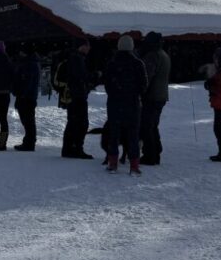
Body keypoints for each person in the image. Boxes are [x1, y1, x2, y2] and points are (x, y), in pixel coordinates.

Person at [103, 34, 148, 175]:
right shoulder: (138, 64)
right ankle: (134, 166)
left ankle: (113, 164)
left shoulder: (111, 64)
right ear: (132, 47)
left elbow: (107, 84)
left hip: (115, 104)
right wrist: (135, 94)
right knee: (133, 135)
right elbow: (144, 85)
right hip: (132, 104)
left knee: (114, 134)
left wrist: (115, 93)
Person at [59, 39, 96, 159]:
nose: (89, 48)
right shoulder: (77, 59)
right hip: (78, 95)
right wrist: (93, 77)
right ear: (82, 46)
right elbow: (81, 77)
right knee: (81, 123)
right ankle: (76, 148)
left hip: (73, 95)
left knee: (73, 122)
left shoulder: (73, 57)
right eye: (87, 45)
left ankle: (68, 148)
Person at [139, 31, 171, 165]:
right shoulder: (164, 54)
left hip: (152, 96)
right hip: (161, 95)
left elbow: (146, 76)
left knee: (147, 126)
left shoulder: (152, 56)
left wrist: (140, 92)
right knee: (152, 125)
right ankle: (156, 150)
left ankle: (150, 155)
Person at [12, 44, 41, 152]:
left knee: (28, 120)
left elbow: (27, 81)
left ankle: (29, 142)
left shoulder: (29, 64)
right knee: (28, 120)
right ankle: (29, 141)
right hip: (28, 96)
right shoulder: (31, 63)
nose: (20, 53)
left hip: (26, 97)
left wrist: (21, 93)